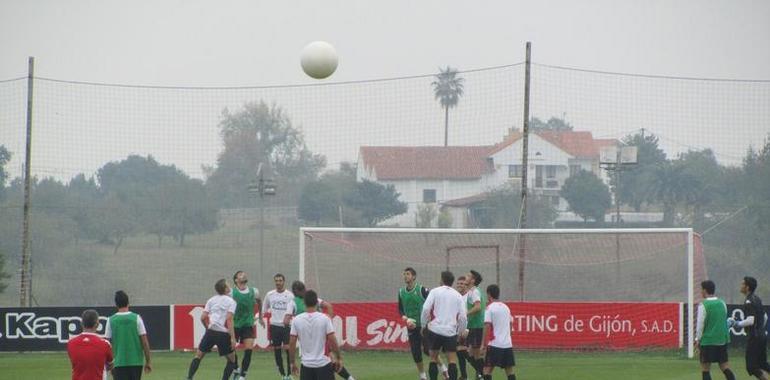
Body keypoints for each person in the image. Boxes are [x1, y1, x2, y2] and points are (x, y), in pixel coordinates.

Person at [399, 267, 449, 380]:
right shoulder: (401, 292)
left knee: (429, 350)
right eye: (404, 274)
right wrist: (406, 319)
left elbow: (433, 302)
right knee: (416, 352)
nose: (405, 276)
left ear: (414, 277)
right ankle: (422, 375)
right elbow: (400, 309)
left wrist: (430, 318)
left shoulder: (422, 290)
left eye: (408, 274)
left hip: (425, 326)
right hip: (411, 327)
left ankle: (444, 369)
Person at [186, 279, 239, 380]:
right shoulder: (231, 302)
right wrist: (232, 337)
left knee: (198, 356)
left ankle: (189, 377)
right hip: (223, 333)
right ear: (225, 289)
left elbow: (202, 317)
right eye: (228, 285)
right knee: (232, 360)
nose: (230, 287)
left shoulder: (211, 300)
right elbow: (229, 319)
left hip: (211, 331)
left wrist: (207, 328)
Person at [421, 270, 468, 380]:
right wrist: (460, 332)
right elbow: (463, 317)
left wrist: (424, 325)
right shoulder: (457, 295)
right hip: (450, 331)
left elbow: (426, 308)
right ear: (452, 282)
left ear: (442, 280)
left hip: (435, 329)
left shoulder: (435, 291)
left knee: (433, 357)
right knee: (452, 360)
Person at [289, 290, 342, 380]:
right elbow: (332, 340)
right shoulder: (325, 318)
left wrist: (292, 362)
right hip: (323, 365)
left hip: (306, 366)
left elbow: (292, 342)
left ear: (304, 303)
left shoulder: (297, 320)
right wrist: (338, 357)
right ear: (317, 303)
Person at [730, 276, 770, 379]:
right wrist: (760, 329)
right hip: (762, 335)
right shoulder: (757, 298)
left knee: (751, 366)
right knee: (762, 364)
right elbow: (764, 317)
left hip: (755, 337)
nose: (741, 286)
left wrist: (736, 323)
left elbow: (750, 320)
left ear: (747, 287)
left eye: (742, 284)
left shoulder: (749, 301)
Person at [106, 290, 152, 380]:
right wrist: (148, 361)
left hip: (118, 362)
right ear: (128, 303)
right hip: (136, 362)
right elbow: (144, 342)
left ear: (116, 304)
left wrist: (109, 363)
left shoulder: (110, 320)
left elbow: (107, 344)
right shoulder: (136, 318)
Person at [695, 280, 736, 380]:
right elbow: (723, 321)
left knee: (705, 368)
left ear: (704, 290)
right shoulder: (722, 303)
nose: (701, 292)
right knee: (725, 367)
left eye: (701, 289)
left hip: (708, 340)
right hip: (721, 340)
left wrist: (697, 340)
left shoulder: (703, 305)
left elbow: (700, 325)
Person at [230, 270, 263, 380]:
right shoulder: (231, 293)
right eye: (240, 274)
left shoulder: (254, 291)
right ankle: (236, 368)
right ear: (236, 280)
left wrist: (261, 316)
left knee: (249, 350)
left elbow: (259, 301)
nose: (243, 274)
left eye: (244, 273)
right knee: (231, 350)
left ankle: (242, 376)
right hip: (235, 324)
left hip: (248, 324)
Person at [262, 273, 295, 380]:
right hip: (274, 326)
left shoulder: (290, 295)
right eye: (276, 281)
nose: (278, 283)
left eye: (280, 280)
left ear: (284, 282)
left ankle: (290, 374)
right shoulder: (270, 294)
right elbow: (264, 309)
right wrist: (260, 317)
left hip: (286, 326)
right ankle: (282, 374)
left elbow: (294, 310)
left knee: (287, 349)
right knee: (277, 350)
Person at [481, 284, 515, 380]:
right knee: (509, 370)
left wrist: (483, 345)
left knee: (487, 370)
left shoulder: (490, 308)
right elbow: (511, 324)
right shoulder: (506, 307)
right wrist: (508, 338)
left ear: (489, 294)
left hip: (495, 344)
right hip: (507, 344)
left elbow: (487, 326)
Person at [67, 309, 113, 380]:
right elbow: (110, 364)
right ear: (97, 324)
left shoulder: (71, 343)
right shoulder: (105, 344)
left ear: (81, 323)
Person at [465, 270, 486, 380]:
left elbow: (478, 307)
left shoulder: (475, 292)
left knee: (475, 355)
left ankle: (483, 374)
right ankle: (482, 373)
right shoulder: (471, 292)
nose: (466, 277)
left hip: (477, 326)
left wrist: (465, 314)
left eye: (468, 276)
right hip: (473, 326)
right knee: (470, 354)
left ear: (473, 280)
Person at [455, 276, 470, 380]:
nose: (460, 285)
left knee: (467, 353)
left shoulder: (469, 297)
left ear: (466, 285)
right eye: (458, 283)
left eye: (462, 283)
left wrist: (468, 329)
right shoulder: (457, 297)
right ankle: (464, 376)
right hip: (458, 328)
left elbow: (474, 314)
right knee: (460, 353)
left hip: (467, 329)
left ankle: (480, 370)